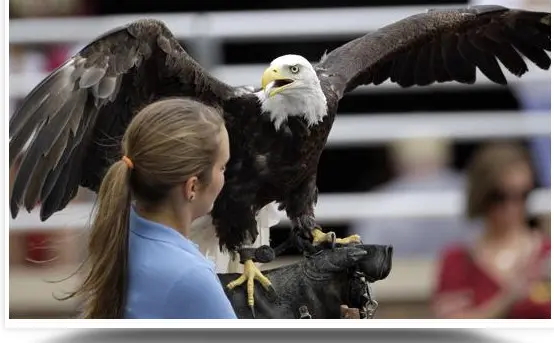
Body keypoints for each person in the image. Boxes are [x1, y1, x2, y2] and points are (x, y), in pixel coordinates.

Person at [64, 97, 237, 319]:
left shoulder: (123, 234)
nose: (225, 177)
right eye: (222, 167)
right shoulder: (190, 275)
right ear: (192, 186)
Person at [431, 142, 550, 319]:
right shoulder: (458, 260)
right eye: (501, 197)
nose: (513, 206)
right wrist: (508, 299)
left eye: (523, 195)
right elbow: (452, 328)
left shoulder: (547, 253)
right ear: (482, 197)